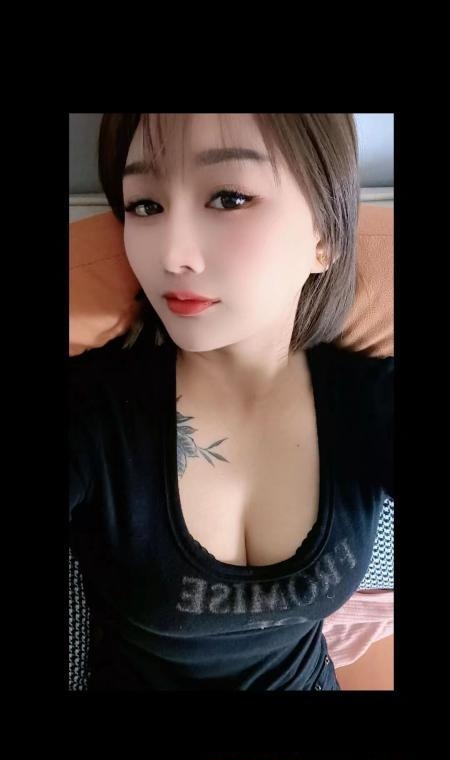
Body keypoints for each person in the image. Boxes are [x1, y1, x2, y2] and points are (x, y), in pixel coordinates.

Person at [69, 113, 393, 691]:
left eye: (229, 198)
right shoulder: (94, 410)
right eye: (145, 205)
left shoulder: (367, 399)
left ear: (324, 237)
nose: (173, 255)